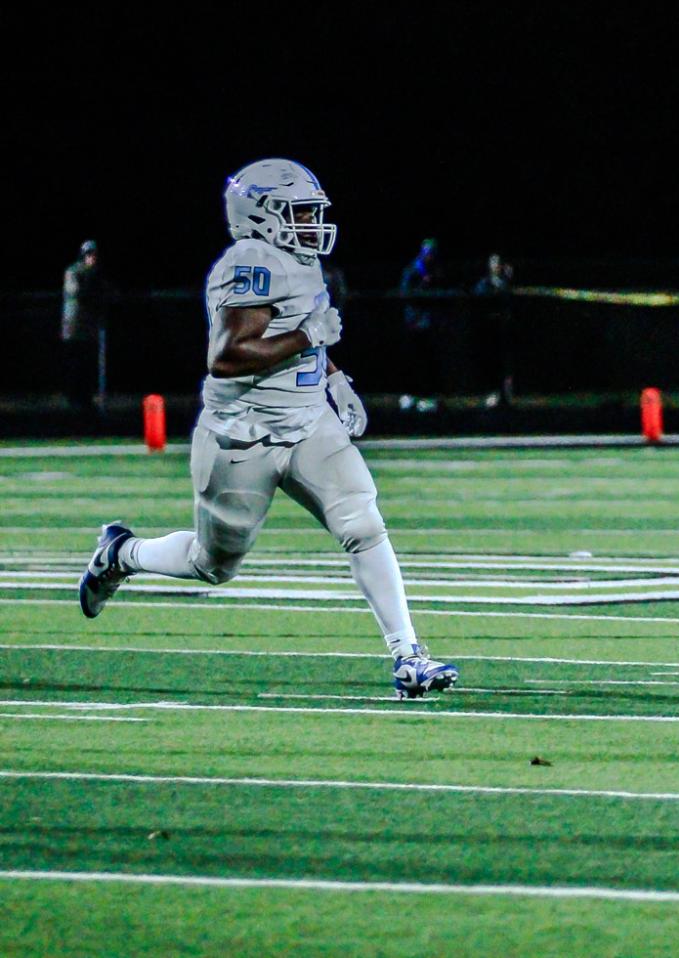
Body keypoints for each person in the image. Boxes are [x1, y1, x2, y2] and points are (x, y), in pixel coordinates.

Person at [77, 159, 456, 698]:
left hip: (306, 422)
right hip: (243, 435)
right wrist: (307, 338)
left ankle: (408, 656)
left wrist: (335, 377)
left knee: (363, 523)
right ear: (262, 216)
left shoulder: (299, 260)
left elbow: (308, 332)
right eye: (299, 212)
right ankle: (121, 553)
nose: (311, 223)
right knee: (212, 565)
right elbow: (227, 356)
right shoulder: (249, 262)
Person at [60, 240, 110, 412]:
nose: (92, 258)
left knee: (88, 364)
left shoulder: (95, 273)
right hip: (74, 328)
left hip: (88, 329)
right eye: (89, 255)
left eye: (94, 254)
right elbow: (77, 294)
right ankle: (74, 399)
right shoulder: (73, 272)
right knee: (75, 364)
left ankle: (86, 399)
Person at [398, 238, 442, 411]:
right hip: (413, 323)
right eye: (427, 252)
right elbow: (405, 293)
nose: (429, 256)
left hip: (428, 324)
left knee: (428, 361)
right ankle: (410, 395)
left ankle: (428, 395)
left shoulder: (436, 272)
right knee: (413, 361)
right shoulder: (413, 271)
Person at [471, 252, 515, 407]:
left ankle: (505, 394)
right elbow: (480, 306)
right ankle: (492, 394)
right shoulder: (484, 284)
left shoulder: (505, 283)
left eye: (499, 263)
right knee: (490, 364)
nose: (497, 266)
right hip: (489, 332)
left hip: (503, 332)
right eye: (494, 263)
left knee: (505, 364)